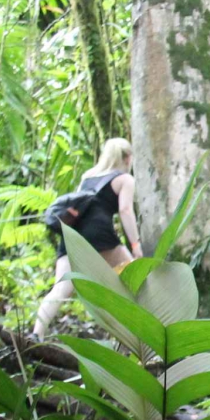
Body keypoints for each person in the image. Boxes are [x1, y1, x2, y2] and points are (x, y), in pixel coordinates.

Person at [33, 138, 142, 339]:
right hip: (100, 234)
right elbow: (126, 210)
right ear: (127, 159)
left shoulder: (87, 177)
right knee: (135, 280)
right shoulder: (125, 179)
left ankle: (36, 334)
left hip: (74, 234)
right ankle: (137, 338)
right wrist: (135, 245)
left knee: (61, 288)